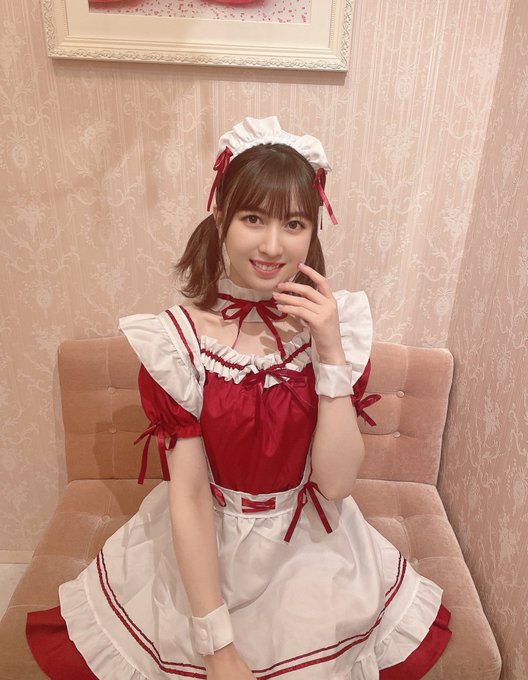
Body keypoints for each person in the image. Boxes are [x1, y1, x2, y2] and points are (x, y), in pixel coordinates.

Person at [27, 116, 451, 679]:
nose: (273, 245)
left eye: (294, 223)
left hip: (308, 543)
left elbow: (336, 484)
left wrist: (329, 351)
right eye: (254, 218)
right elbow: (190, 495)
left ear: (313, 233)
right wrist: (218, 646)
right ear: (221, 218)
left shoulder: (335, 332)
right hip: (206, 545)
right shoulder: (178, 343)